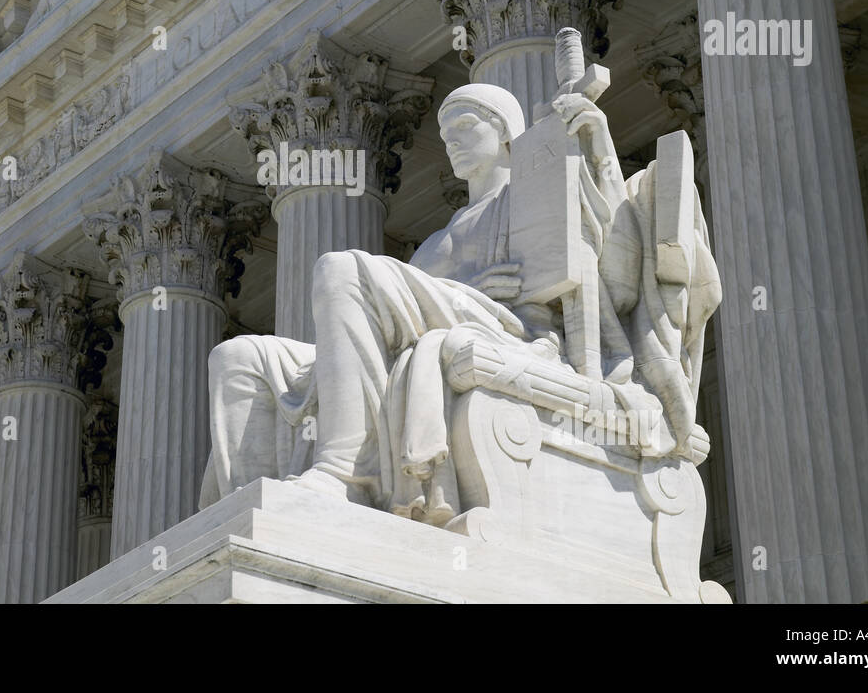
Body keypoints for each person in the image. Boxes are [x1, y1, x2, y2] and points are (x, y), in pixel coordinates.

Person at [200, 82, 625, 520]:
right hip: (446, 322)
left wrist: (599, 149)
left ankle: (345, 474)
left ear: (504, 131)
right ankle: (252, 514)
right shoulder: (435, 245)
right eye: (444, 136)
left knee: (340, 269)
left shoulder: (530, 200)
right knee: (240, 355)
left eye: (464, 125)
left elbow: (607, 236)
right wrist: (472, 283)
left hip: (510, 329)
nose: (452, 142)